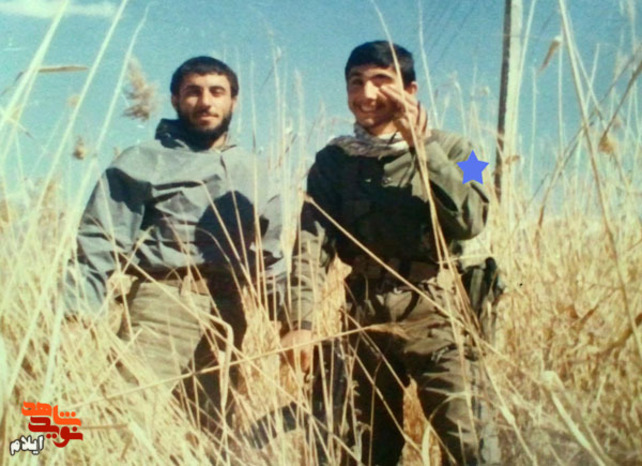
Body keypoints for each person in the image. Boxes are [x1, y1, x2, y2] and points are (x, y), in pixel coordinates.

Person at [283, 41, 501, 465]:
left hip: (437, 309)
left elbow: (472, 219)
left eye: (382, 81)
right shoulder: (333, 161)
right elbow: (311, 243)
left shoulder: (459, 150)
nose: (366, 94)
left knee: (469, 441)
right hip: (364, 311)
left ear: (411, 90)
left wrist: (423, 147)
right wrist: (299, 322)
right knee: (364, 446)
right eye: (356, 82)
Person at [63, 56, 285, 439]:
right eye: (193, 92)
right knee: (122, 425)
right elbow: (99, 242)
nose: (205, 102)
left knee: (210, 438)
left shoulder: (254, 169)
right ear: (175, 99)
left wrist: (295, 324)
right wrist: (76, 313)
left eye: (217, 92)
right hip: (162, 304)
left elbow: (270, 256)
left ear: (234, 100)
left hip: (227, 313)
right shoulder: (143, 160)